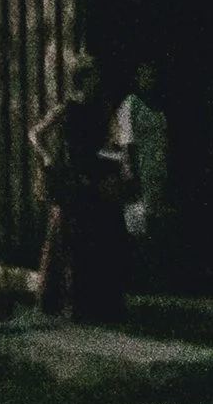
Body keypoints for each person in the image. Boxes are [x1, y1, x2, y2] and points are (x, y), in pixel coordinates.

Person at [29, 54, 129, 322]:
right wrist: (48, 157)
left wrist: (115, 165)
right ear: (83, 79)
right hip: (73, 179)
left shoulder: (103, 108)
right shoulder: (68, 109)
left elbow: (113, 142)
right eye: (93, 75)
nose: (98, 79)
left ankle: (96, 305)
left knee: (96, 242)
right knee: (67, 241)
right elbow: (36, 133)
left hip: (95, 177)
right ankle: (65, 303)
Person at [113, 62, 171, 287]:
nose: (150, 79)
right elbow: (126, 143)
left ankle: (155, 276)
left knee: (156, 224)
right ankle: (140, 278)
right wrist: (130, 174)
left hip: (158, 171)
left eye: (153, 75)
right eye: (145, 75)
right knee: (138, 225)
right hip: (141, 170)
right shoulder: (131, 104)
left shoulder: (157, 107)